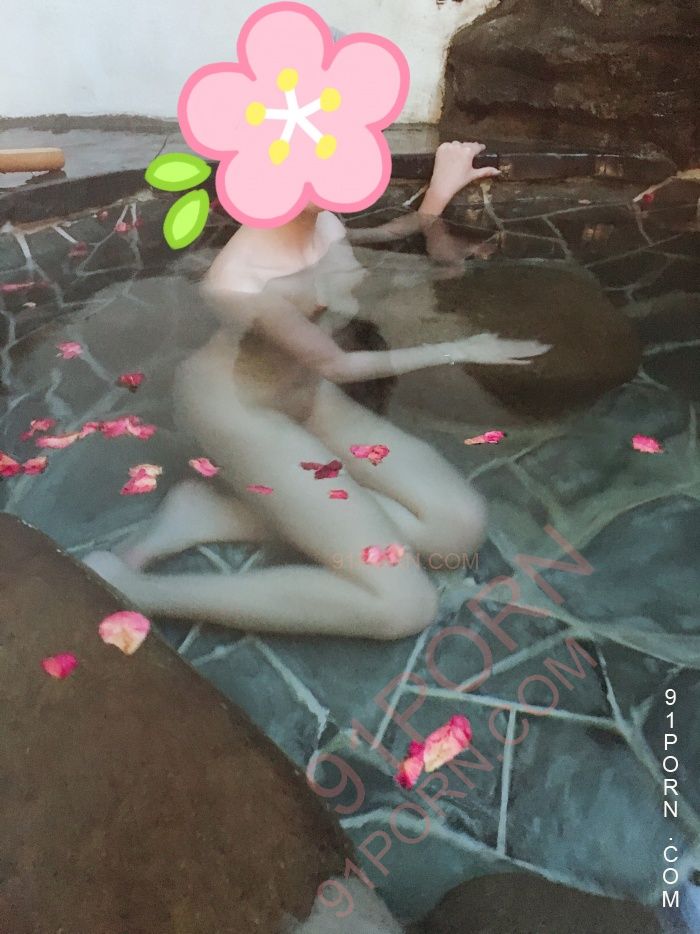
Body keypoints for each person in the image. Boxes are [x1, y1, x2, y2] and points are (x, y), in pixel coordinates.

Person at [85, 141, 550, 640]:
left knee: (457, 525)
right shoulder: (238, 281)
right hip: (239, 410)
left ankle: (220, 513)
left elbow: (378, 239)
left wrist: (435, 201)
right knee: (402, 606)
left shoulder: (320, 219)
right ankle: (136, 589)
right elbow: (336, 364)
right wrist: (461, 349)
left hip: (306, 394)